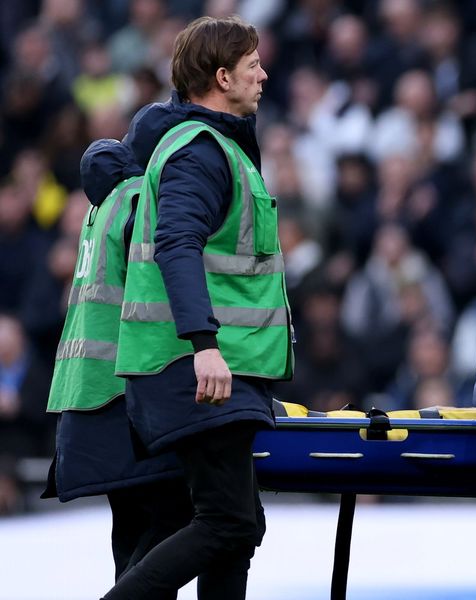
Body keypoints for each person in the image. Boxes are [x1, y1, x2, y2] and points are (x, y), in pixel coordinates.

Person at [104, 16, 291, 599]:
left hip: (214, 369)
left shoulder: (214, 148)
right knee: (229, 521)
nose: (263, 74)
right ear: (221, 77)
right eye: (252, 65)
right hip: (197, 368)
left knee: (236, 528)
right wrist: (204, 345)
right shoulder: (200, 152)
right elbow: (176, 246)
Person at [43, 138, 193, 589]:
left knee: (129, 531)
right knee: (182, 519)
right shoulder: (135, 200)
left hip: (84, 395)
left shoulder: (96, 215)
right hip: (125, 396)